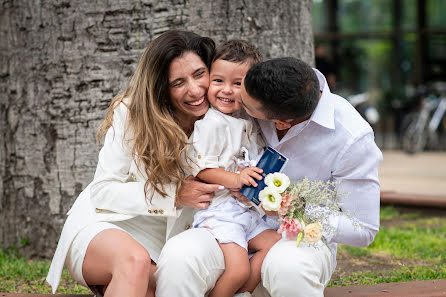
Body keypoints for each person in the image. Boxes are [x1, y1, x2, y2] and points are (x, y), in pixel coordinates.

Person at [155, 57, 382, 297]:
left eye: (246, 105)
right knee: (180, 255)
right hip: (228, 220)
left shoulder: (351, 139)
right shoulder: (266, 85)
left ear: (280, 122)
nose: (235, 100)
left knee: (287, 267)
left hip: (297, 240)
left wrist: (296, 208)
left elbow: (363, 229)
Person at [46, 30, 222, 297]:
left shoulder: (227, 118)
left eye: (199, 74)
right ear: (161, 88)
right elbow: (104, 190)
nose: (195, 90)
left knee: (159, 285)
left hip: (162, 247)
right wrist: (173, 195)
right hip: (107, 224)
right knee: (134, 262)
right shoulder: (132, 112)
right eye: (178, 83)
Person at [189, 40, 281, 297]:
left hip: (248, 212)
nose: (227, 90)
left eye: (237, 83)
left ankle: (243, 294)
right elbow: (202, 169)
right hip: (221, 213)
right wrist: (236, 178)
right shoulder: (210, 124)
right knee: (237, 269)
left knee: (274, 243)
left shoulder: (249, 121)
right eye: (218, 81)